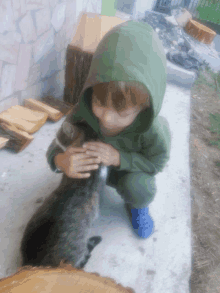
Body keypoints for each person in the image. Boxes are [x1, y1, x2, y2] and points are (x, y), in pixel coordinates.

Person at [46, 19, 172, 239]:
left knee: (140, 188)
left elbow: (155, 164)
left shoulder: (155, 132)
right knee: (75, 167)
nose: (106, 118)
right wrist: (61, 161)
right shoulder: (81, 112)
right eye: (99, 103)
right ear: (91, 89)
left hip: (126, 171)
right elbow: (55, 148)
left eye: (122, 113)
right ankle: (88, 193)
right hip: (93, 166)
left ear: (145, 108)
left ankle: (138, 207)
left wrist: (119, 158)